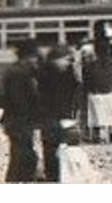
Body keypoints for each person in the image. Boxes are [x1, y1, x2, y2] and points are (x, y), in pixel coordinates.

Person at [1, 40, 43, 183]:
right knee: (23, 156)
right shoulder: (20, 73)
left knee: (20, 155)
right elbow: (18, 100)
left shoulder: (16, 71)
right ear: (28, 57)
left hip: (16, 121)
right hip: (20, 121)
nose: (36, 60)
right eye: (34, 57)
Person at [37, 46, 78, 182]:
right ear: (58, 60)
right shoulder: (57, 74)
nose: (69, 63)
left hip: (50, 116)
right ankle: (58, 174)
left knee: (51, 146)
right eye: (67, 60)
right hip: (55, 115)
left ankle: (53, 174)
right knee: (57, 145)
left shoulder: (44, 71)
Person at [83, 47, 112, 144]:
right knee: (109, 114)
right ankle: (111, 133)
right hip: (109, 91)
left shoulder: (91, 65)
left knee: (96, 116)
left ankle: (98, 136)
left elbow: (87, 79)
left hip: (95, 92)